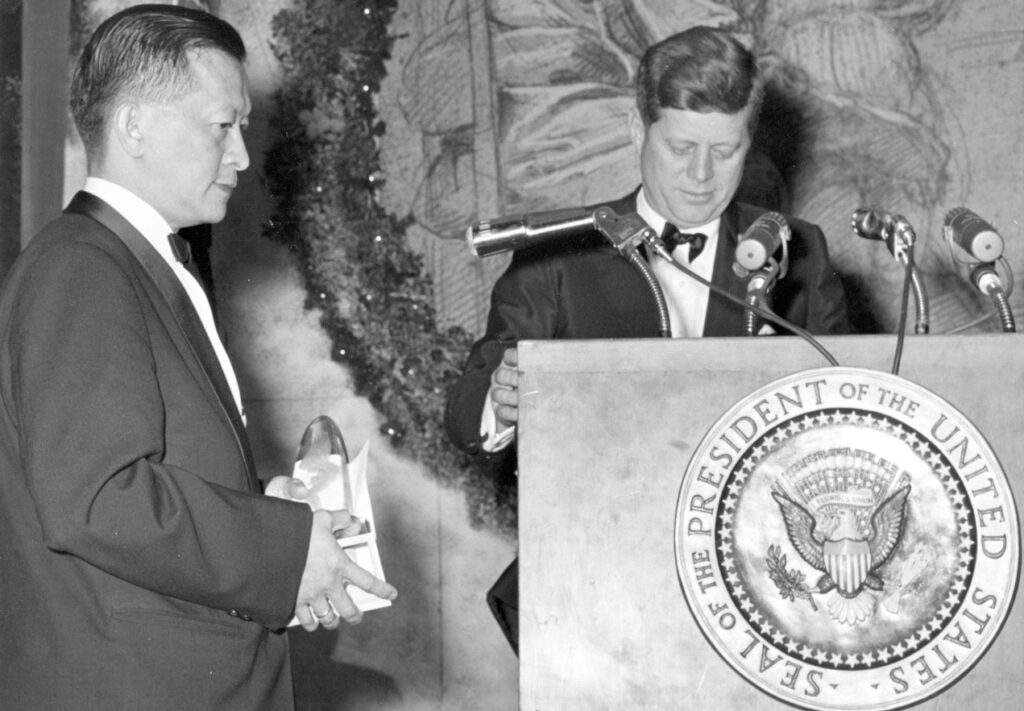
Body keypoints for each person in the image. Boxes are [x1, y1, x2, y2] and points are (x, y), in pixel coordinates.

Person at [0, 6, 396, 710]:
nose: (242, 153)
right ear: (134, 127)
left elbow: (147, 477)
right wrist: (284, 548)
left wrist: (264, 503)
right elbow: (94, 497)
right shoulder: (81, 267)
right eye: (222, 125)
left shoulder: (129, 262)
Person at [444, 25, 850, 654]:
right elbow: (467, 410)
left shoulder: (799, 253)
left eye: (725, 150)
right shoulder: (555, 256)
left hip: (767, 593)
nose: (700, 174)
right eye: (680, 146)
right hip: (598, 590)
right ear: (638, 131)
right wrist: (504, 398)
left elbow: (850, 418)